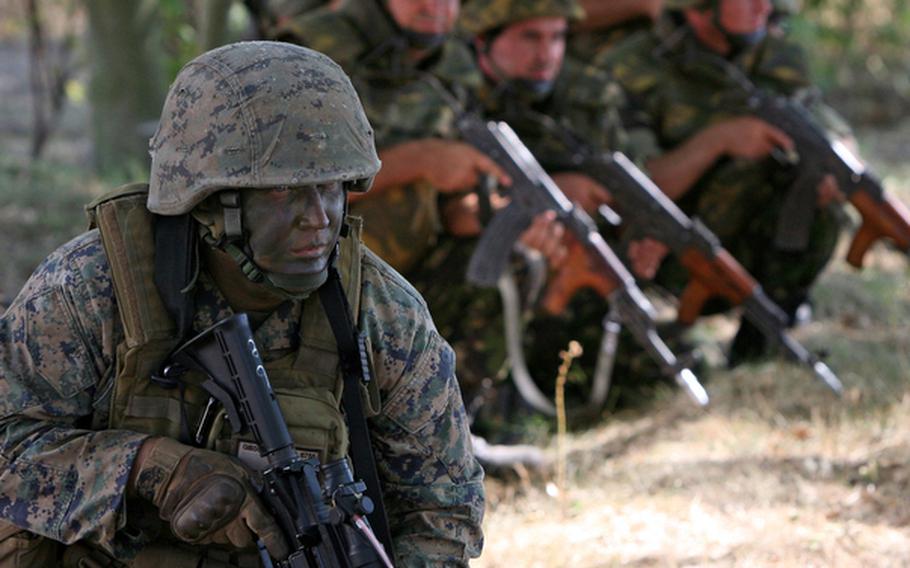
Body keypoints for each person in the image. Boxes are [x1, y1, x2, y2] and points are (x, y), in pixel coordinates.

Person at [0, 41, 484, 567]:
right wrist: (150, 468)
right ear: (209, 201)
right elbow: (10, 443)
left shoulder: (383, 313)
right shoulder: (92, 288)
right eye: (283, 192)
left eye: (331, 187)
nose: (318, 217)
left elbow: (443, 510)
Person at [274, 1, 568, 425]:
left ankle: (449, 431)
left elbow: (448, 207)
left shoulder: (455, 66)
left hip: (403, 268)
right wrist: (416, 161)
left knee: (510, 259)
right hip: (313, 275)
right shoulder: (310, 49)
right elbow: (279, 193)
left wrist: (500, 219)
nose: (435, 6)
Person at [598, 0, 848, 363]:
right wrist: (720, 140)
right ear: (699, 8)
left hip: (754, 253)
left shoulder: (776, 55)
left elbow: (831, 125)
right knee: (747, 171)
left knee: (817, 196)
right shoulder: (631, 66)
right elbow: (634, 188)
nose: (764, 7)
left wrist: (835, 159)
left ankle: (765, 340)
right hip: (666, 261)